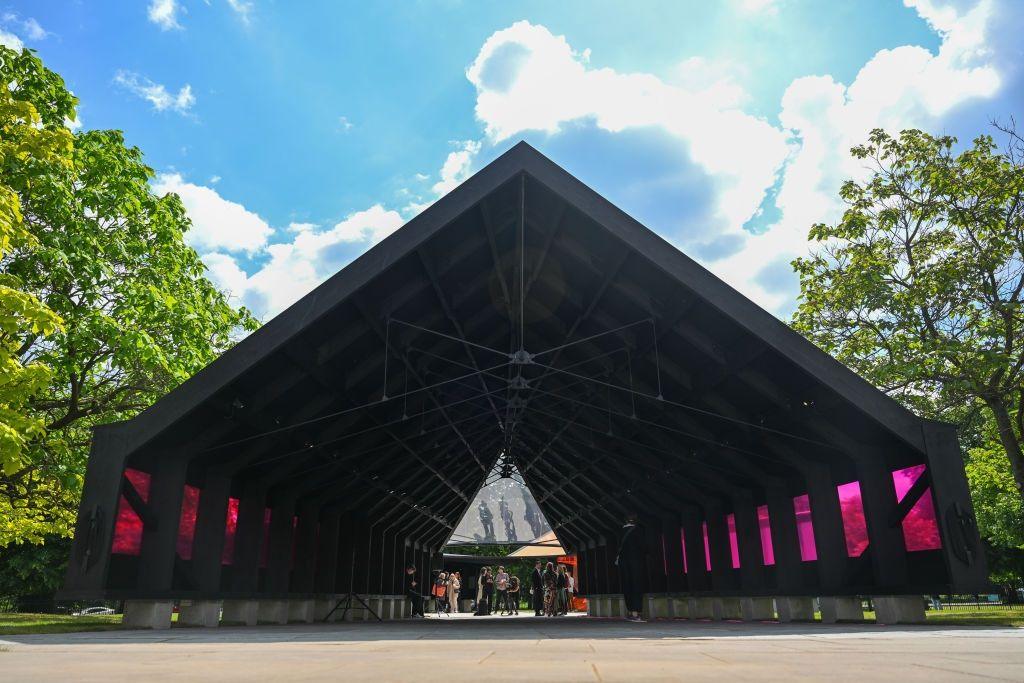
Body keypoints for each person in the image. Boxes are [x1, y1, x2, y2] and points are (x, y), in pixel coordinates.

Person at [615, 512, 646, 622]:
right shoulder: (638, 531)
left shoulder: (620, 532)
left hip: (624, 563)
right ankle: (635, 613)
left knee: (627, 585)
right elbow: (643, 547)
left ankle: (629, 611)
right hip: (636, 562)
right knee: (636, 585)